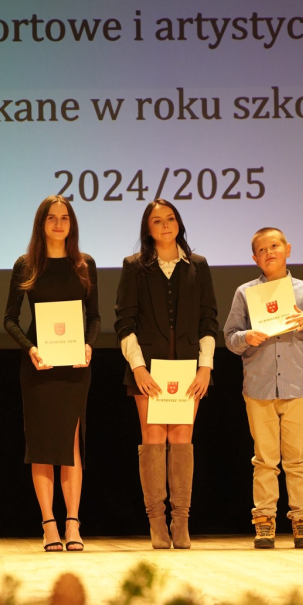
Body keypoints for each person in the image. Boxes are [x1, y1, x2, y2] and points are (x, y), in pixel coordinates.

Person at [114, 200, 218, 550]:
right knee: (154, 439)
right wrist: (138, 367)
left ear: (179, 223)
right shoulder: (134, 267)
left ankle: (181, 521)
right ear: (148, 229)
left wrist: (205, 367)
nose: (165, 225)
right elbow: (124, 322)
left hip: (189, 369)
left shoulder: (198, 265)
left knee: (183, 439)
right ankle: (157, 522)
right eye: (157, 221)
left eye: (170, 218)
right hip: (148, 369)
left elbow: (209, 321)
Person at [4, 195, 100, 551]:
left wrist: (88, 345)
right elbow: (9, 319)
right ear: (41, 223)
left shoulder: (84, 264)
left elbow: (94, 316)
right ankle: (49, 525)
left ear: (71, 224)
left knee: (71, 444)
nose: (59, 224)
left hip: (75, 367)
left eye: (64, 218)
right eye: (52, 218)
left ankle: (73, 523)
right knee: (42, 446)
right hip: (39, 366)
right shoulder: (26, 265)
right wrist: (30, 349)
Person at [223, 227, 303, 550]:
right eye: (262, 249)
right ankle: (264, 521)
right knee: (265, 459)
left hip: (298, 385)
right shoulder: (246, 293)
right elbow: (230, 337)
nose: (269, 252)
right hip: (259, 387)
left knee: (298, 459)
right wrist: (246, 337)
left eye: (275, 246)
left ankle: (302, 519)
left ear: (288, 249)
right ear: (254, 258)